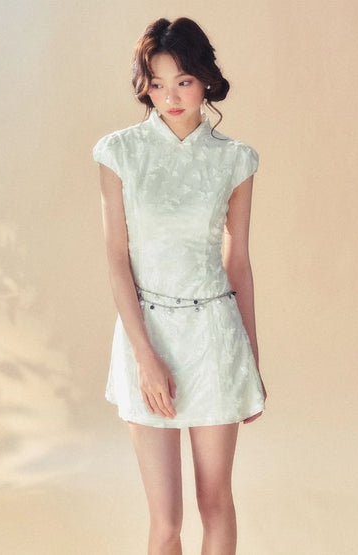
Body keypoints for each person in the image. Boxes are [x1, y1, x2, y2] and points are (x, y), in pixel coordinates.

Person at [92, 16, 268, 555]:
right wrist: (145, 358)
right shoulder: (119, 152)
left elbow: (238, 263)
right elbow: (117, 260)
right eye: (157, 83)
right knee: (165, 520)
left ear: (206, 80)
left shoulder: (235, 159)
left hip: (214, 339)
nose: (170, 96)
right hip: (146, 335)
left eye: (184, 81)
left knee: (216, 503)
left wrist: (250, 361)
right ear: (144, 85)